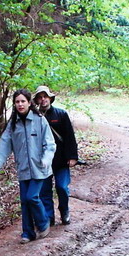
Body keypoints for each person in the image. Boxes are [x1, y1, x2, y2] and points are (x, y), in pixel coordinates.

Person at [0, 89, 55, 243]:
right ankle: (28, 233)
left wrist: (46, 159)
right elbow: (3, 146)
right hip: (23, 169)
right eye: (17, 102)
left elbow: (50, 144)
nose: (20, 104)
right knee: (24, 201)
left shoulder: (40, 120)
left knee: (32, 197)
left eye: (23, 101)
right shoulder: (13, 124)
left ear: (29, 103)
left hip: (40, 168)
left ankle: (43, 223)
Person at [33, 85, 78, 226]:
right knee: (44, 191)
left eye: (45, 96)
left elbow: (69, 137)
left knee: (62, 187)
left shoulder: (61, 114)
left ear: (50, 98)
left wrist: (72, 156)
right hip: (43, 161)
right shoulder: (34, 117)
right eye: (40, 97)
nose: (43, 99)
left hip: (61, 160)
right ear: (36, 100)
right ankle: (49, 217)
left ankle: (64, 210)